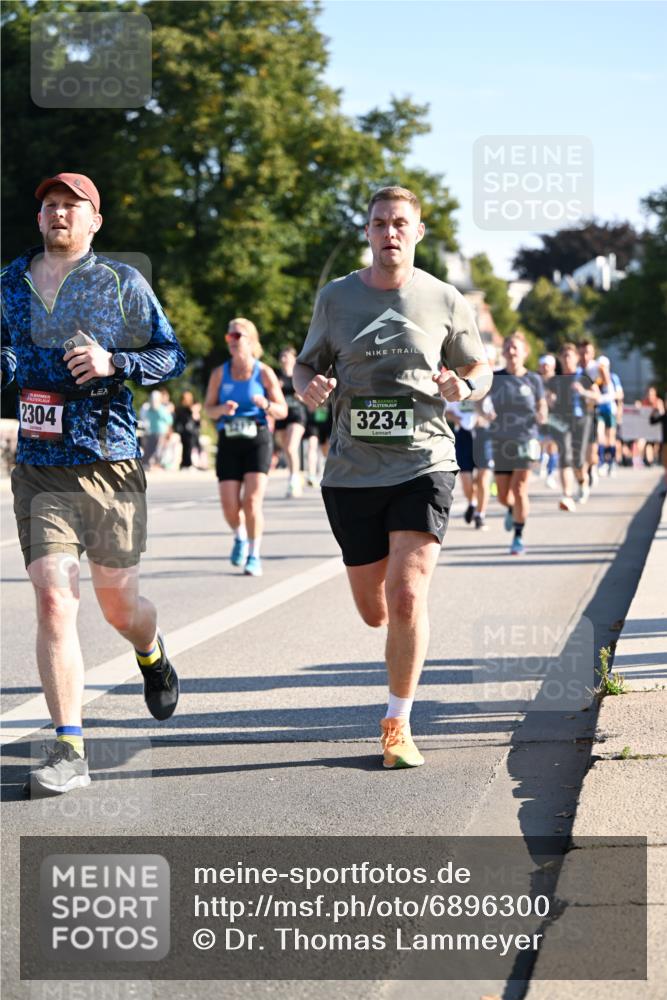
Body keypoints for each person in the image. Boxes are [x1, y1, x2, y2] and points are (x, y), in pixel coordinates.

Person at [0, 172, 186, 796]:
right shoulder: (9, 282)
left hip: (110, 459)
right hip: (40, 462)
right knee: (55, 597)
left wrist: (116, 362)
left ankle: (152, 651)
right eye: (48, 204)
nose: (57, 213)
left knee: (118, 606)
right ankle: (68, 748)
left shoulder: (121, 283)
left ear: (94, 221)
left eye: (69, 206)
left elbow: (170, 355)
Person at [293, 185, 492, 769]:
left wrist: (467, 384)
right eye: (380, 223)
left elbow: (478, 366)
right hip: (353, 472)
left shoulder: (446, 298)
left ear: (418, 231)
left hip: (424, 461)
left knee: (407, 595)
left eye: (401, 223)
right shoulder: (336, 299)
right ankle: (385, 632)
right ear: (368, 231)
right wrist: (308, 383)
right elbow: (308, 361)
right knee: (375, 609)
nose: (390, 233)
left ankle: (397, 724)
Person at [204, 317, 287, 577]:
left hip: (257, 439)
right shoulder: (220, 373)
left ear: (250, 340)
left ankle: (254, 554)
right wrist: (222, 409)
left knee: (251, 501)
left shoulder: (263, 373)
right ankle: (239, 536)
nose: (231, 340)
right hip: (229, 440)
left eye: (237, 336)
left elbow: (282, 410)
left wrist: (265, 404)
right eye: (229, 336)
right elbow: (208, 409)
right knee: (230, 506)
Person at [487, 332, 547, 555]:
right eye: (508, 347)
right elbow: (480, 402)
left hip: (527, 437)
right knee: (504, 495)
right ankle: (512, 510)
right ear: (503, 352)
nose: (511, 351)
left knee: (520, 488)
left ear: (525, 353)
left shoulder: (533, 379)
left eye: (516, 348)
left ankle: (518, 536)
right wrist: (483, 413)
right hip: (501, 439)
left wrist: (542, 413)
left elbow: (542, 404)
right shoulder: (496, 377)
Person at [546, 342, 599, 511]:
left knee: (578, 459)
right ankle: (567, 495)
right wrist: (550, 400)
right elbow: (546, 397)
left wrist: (583, 392)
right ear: (560, 359)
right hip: (562, 422)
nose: (567, 359)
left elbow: (597, 396)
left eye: (570, 356)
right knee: (564, 455)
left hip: (582, 421)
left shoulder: (584, 377)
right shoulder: (555, 380)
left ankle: (583, 482)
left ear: (576, 358)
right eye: (564, 356)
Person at [273, 346, 308, 497]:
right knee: (285, 448)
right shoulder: (276, 376)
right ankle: (295, 474)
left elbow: (307, 395)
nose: (284, 359)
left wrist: (301, 396)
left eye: (287, 356)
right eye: (282, 356)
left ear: (294, 358)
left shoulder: (298, 375)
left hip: (297, 415)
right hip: (281, 416)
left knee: (290, 447)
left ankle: (293, 480)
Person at [595, 356, 623, 477]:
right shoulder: (596, 379)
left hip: (610, 410)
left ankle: (611, 462)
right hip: (599, 411)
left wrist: (619, 410)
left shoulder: (613, 378)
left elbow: (620, 394)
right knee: (600, 434)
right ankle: (601, 462)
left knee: (610, 437)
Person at [140, 389, 173, 469]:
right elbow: (144, 420)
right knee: (150, 449)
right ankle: (148, 463)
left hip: (161, 433)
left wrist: (168, 433)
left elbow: (169, 421)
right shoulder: (148, 409)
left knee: (159, 449)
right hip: (151, 433)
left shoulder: (163, 410)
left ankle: (158, 465)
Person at [304, 399, 333, 487]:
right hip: (314, 421)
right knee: (311, 446)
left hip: (328, 419)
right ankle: (311, 475)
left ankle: (323, 472)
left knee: (326, 450)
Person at [173, 389, 201, 470]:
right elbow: (177, 421)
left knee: (191, 442)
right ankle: (185, 463)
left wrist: (195, 412)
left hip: (192, 432)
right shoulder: (179, 409)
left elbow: (197, 423)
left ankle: (191, 463)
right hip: (183, 432)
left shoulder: (193, 408)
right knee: (185, 443)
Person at [649, 392, 667, 495]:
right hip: (665, 445)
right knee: (665, 467)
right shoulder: (664, 416)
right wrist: (654, 412)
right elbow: (652, 421)